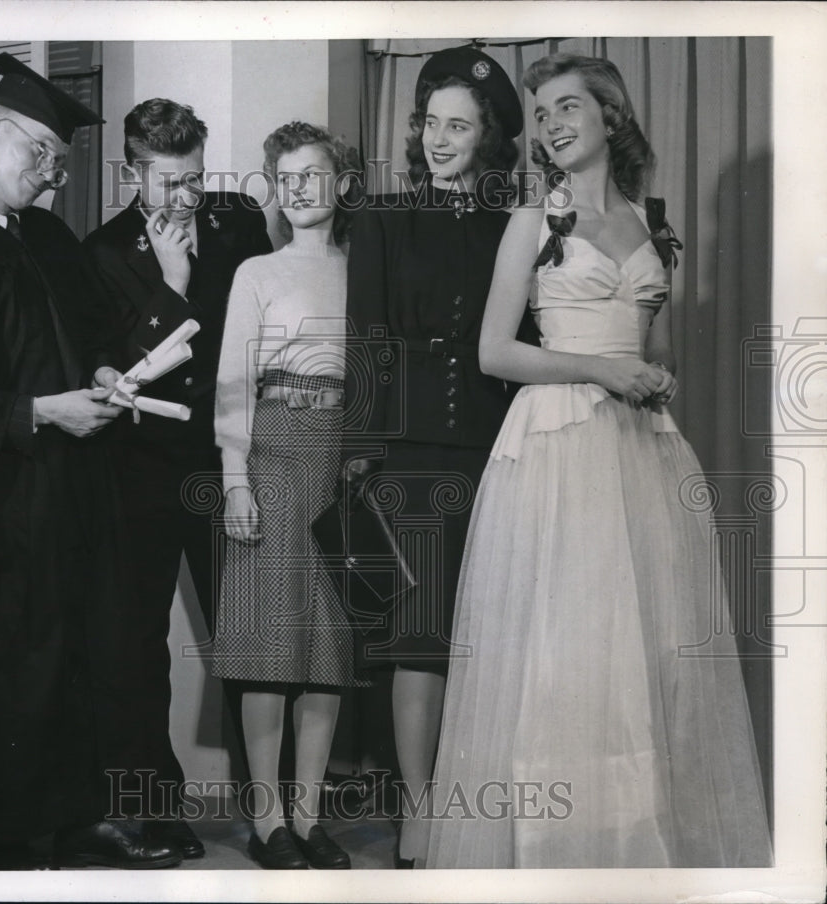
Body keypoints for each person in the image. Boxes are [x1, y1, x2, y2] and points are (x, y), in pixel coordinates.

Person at [425, 53, 773, 868]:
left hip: (643, 448)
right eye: (542, 112)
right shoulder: (533, 220)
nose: (551, 124)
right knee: (567, 647)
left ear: (609, 117)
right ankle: (558, 847)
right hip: (558, 441)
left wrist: (656, 371)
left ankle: (635, 844)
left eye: (567, 106)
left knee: (647, 649)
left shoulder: (650, 225)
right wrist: (599, 369)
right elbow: (493, 352)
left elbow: (655, 346)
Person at [0, 53, 182, 870]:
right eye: (39, 153)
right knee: (7, 675)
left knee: (75, 656)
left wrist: (105, 372)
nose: (51, 175)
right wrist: (45, 411)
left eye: (58, 161)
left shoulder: (44, 238)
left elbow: (88, 338)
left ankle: (79, 821)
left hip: (66, 498)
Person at [342, 45, 529, 866]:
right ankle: (418, 808)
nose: (441, 139)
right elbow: (365, 337)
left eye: (460, 126)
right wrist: (361, 453)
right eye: (431, 123)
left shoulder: (516, 223)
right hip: (411, 454)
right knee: (418, 635)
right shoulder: (382, 216)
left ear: (488, 137)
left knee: (488, 625)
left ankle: (481, 805)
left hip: (498, 444)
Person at [82, 98, 272, 859]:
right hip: (142, 472)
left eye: (195, 177)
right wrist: (171, 281)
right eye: (168, 181)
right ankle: (156, 810)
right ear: (133, 171)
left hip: (231, 461)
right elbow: (112, 366)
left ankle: (273, 812)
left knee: (253, 635)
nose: (187, 195)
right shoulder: (101, 251)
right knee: (137, 647)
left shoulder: (240, 220)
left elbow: (265, 326)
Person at [210, 122, 366, 870]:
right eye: (285, 177)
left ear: (344, 183)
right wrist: (234, 479)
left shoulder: (364, 270)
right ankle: (267, 818)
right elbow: (233, 379)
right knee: (269, 643)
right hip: (272, 450)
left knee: (328, 647)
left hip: (340, 458)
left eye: (313, 174)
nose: (298, 188)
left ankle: (309, 816)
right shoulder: (257, 272)